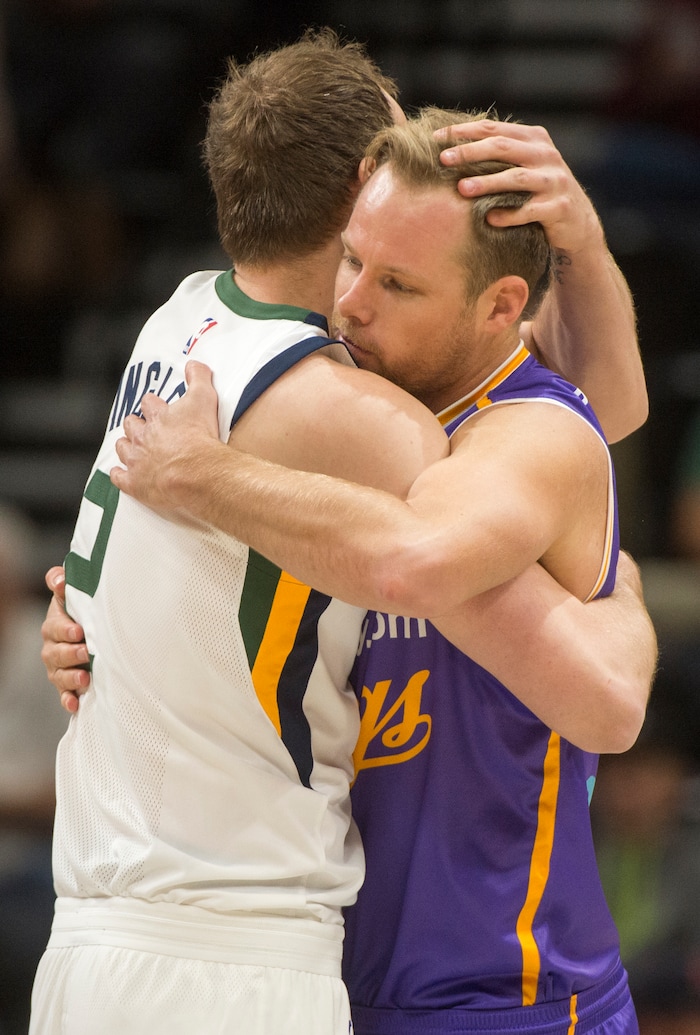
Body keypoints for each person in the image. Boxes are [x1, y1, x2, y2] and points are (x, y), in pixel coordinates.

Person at [37, 33, 654, 1035]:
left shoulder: (183, 325)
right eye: (358, 263)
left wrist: (135, 564)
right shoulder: (360, 413)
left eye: (397, 282)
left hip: (491, 988)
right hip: (265, 951)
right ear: (356, 196)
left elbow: (579, 430)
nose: (359, 299)